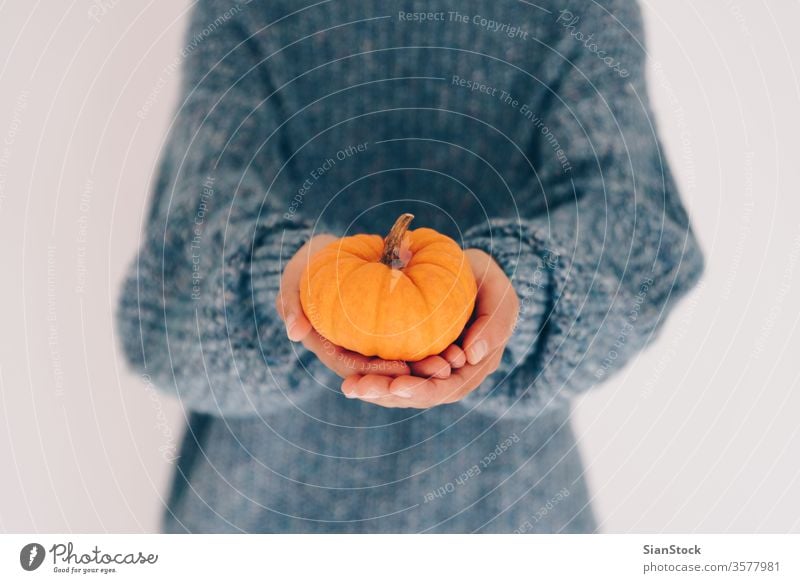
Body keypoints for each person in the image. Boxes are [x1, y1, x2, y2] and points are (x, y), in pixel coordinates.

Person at [117, 0, 704, 533]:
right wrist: (280, 280)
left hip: (507, 517)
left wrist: (521, 287)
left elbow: (639, 239)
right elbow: (170, 293)